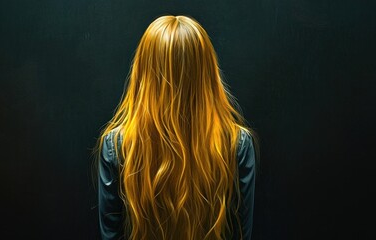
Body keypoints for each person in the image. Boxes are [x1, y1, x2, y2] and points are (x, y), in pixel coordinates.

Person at [92, 15, 259, 240]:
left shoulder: (117, 146)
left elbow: (111, 235)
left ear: (143, 71)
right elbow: (241, 235)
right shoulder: (236, 144)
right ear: (207, 73)